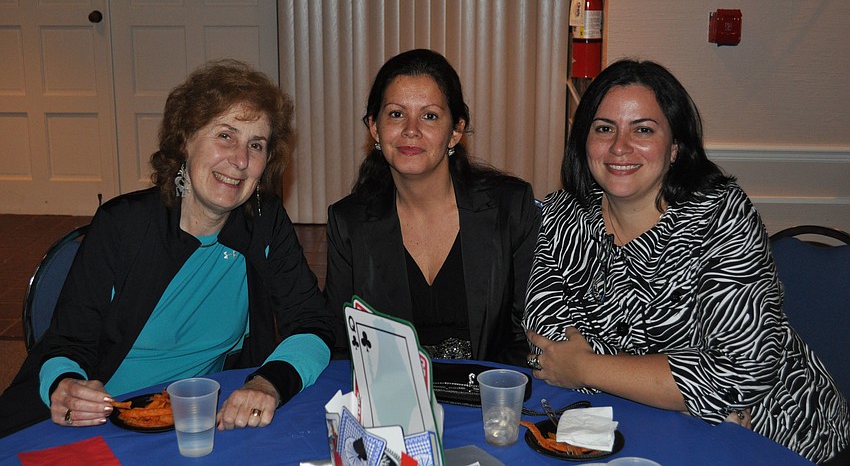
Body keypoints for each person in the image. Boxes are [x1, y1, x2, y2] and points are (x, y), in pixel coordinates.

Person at [523, 59, 849, 464]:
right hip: (639, 434)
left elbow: (737, 375)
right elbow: (548, 346)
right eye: (604, 128)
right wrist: (679, 391)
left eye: (643, 129)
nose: (619, 147)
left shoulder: (721, 216)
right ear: (583, 141)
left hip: (779, 438)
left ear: (675, 147)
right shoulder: (563, 216)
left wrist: (587, 368)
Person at [0, 59, 334, 436]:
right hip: (97, 415)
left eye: (255, 145)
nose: (240, 160)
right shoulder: (123, 225)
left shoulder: (263, 223)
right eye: (225, 135)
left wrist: (267, 382)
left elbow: (313, 323)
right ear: (186, 139)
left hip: (192, 420)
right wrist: (66, 387)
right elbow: (66, 341)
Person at [324, 49, 540, 367]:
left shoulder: (509, 207)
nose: (411, 129)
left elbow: (530, 335)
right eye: (396, 114)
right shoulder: (349, 222)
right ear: (374, 128)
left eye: (429, 116)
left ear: (455, 131)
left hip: (488, 396)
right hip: (397, 403)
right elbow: (341, 343)